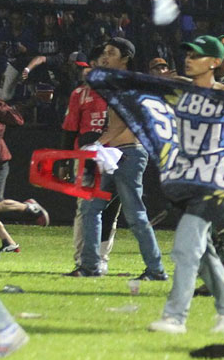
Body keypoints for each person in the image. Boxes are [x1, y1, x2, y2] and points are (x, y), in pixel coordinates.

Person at [149, 35, 224, 333]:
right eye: (188, 54)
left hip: (214, 183)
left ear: (215, 62)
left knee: (185, 248)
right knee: (203, 251)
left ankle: (175, 317)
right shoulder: (181, 92)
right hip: (187, 181)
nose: (188, 59)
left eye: (196, 55)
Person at [69, 38, 168, 280]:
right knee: (90, 209)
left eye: (111, 53)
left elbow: (122, 122)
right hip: (113, 153)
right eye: (104, 52)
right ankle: (90, 266)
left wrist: (97, 144)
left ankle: (156, 270)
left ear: (125, 58)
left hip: (128, 154)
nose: (104, 57)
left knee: (134, 215)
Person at [61, 49, 120, 272]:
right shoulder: (80, 94)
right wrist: (65, 161)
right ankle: (82, 258)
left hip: (116, 156)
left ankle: (102, 259)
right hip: (86, 157)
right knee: (84, 208)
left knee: (112, 210)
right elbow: (69, 130)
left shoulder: (120, 93)